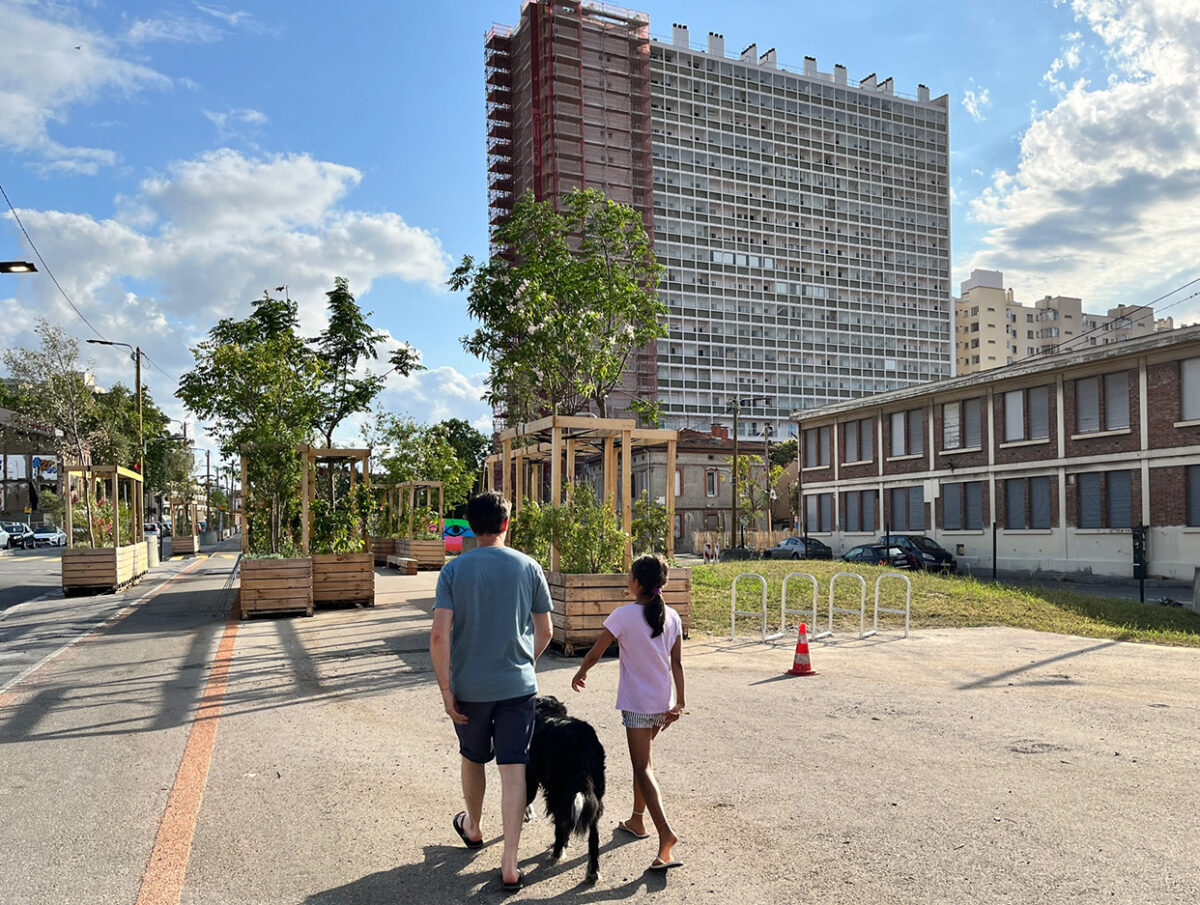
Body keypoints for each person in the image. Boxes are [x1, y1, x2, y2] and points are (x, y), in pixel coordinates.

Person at [430, 492, 553, 892]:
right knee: (513, 769)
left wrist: (447, 689)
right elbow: (546, 631)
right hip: (518, 687)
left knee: (473, 758)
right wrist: (523, 666)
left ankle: (475, 827)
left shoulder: (454, 571)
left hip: (470, 687)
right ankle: (511, 863)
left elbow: (438, 635)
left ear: (469, 525)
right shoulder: (529, 566)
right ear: (506, 523)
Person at [571, 553, 686, 871]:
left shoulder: (623, 615)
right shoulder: (672, 616)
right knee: (643, 763)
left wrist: (581, 672)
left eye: (629, 576)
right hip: (661, 703)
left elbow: (596, 652)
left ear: (636, 582)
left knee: (643, 768)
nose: (627, 580)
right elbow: (677, 663)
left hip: (637, 705)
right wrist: (680, 703)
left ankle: (666, 834)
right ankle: (638, 820)